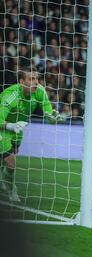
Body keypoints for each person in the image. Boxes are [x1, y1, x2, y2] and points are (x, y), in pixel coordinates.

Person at [0, 67, 63, 202]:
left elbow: (48, 110)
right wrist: (9, 125)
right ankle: (12, 191)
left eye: (36, 78)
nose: (36, 82)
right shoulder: (11, 95)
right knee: (10, 161)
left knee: (9, 157)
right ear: (22, 81)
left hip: (19, 128)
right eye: (31, 79)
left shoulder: (39, 91)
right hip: (3, 127)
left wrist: (51, 118)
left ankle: (3, 179)